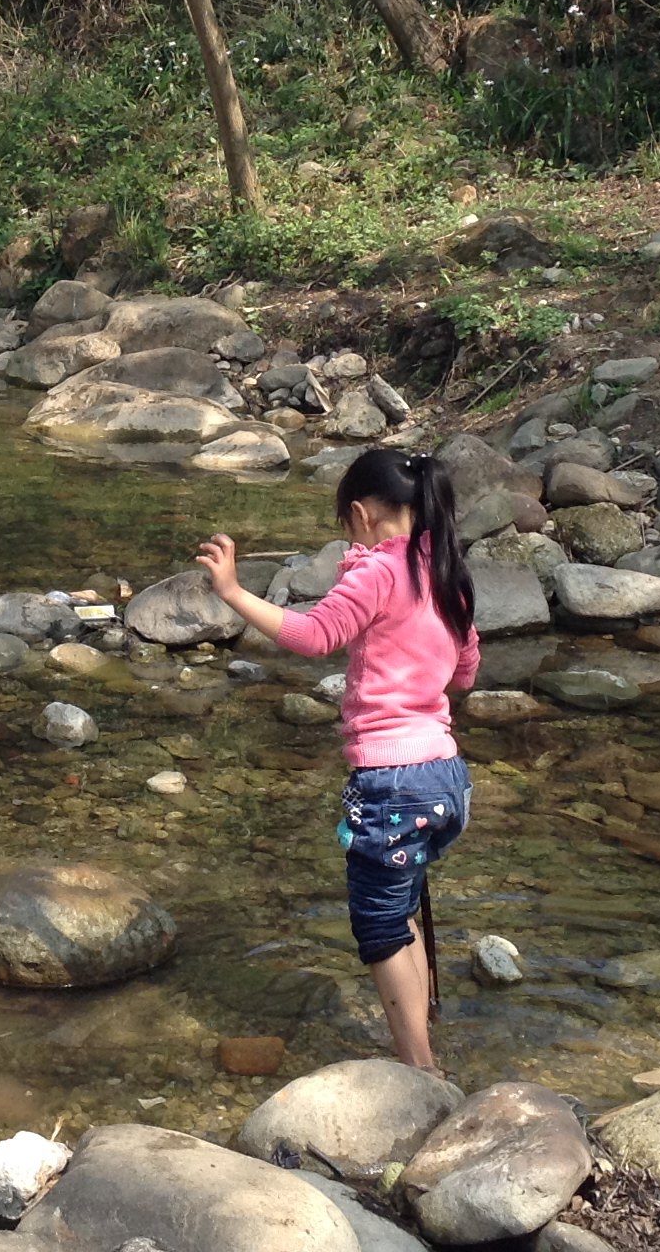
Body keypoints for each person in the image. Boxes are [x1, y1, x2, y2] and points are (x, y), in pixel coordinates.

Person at [194, 447, 479, 1075]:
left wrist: (234, 591)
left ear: (359, 514)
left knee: (380, 926)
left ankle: (419, 1071)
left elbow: (314, 636)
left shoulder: (378, 572)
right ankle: (424, 1048)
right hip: (445, 776)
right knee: (399, 905)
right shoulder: (448, 571)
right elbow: (464, 673)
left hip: (391, 780)